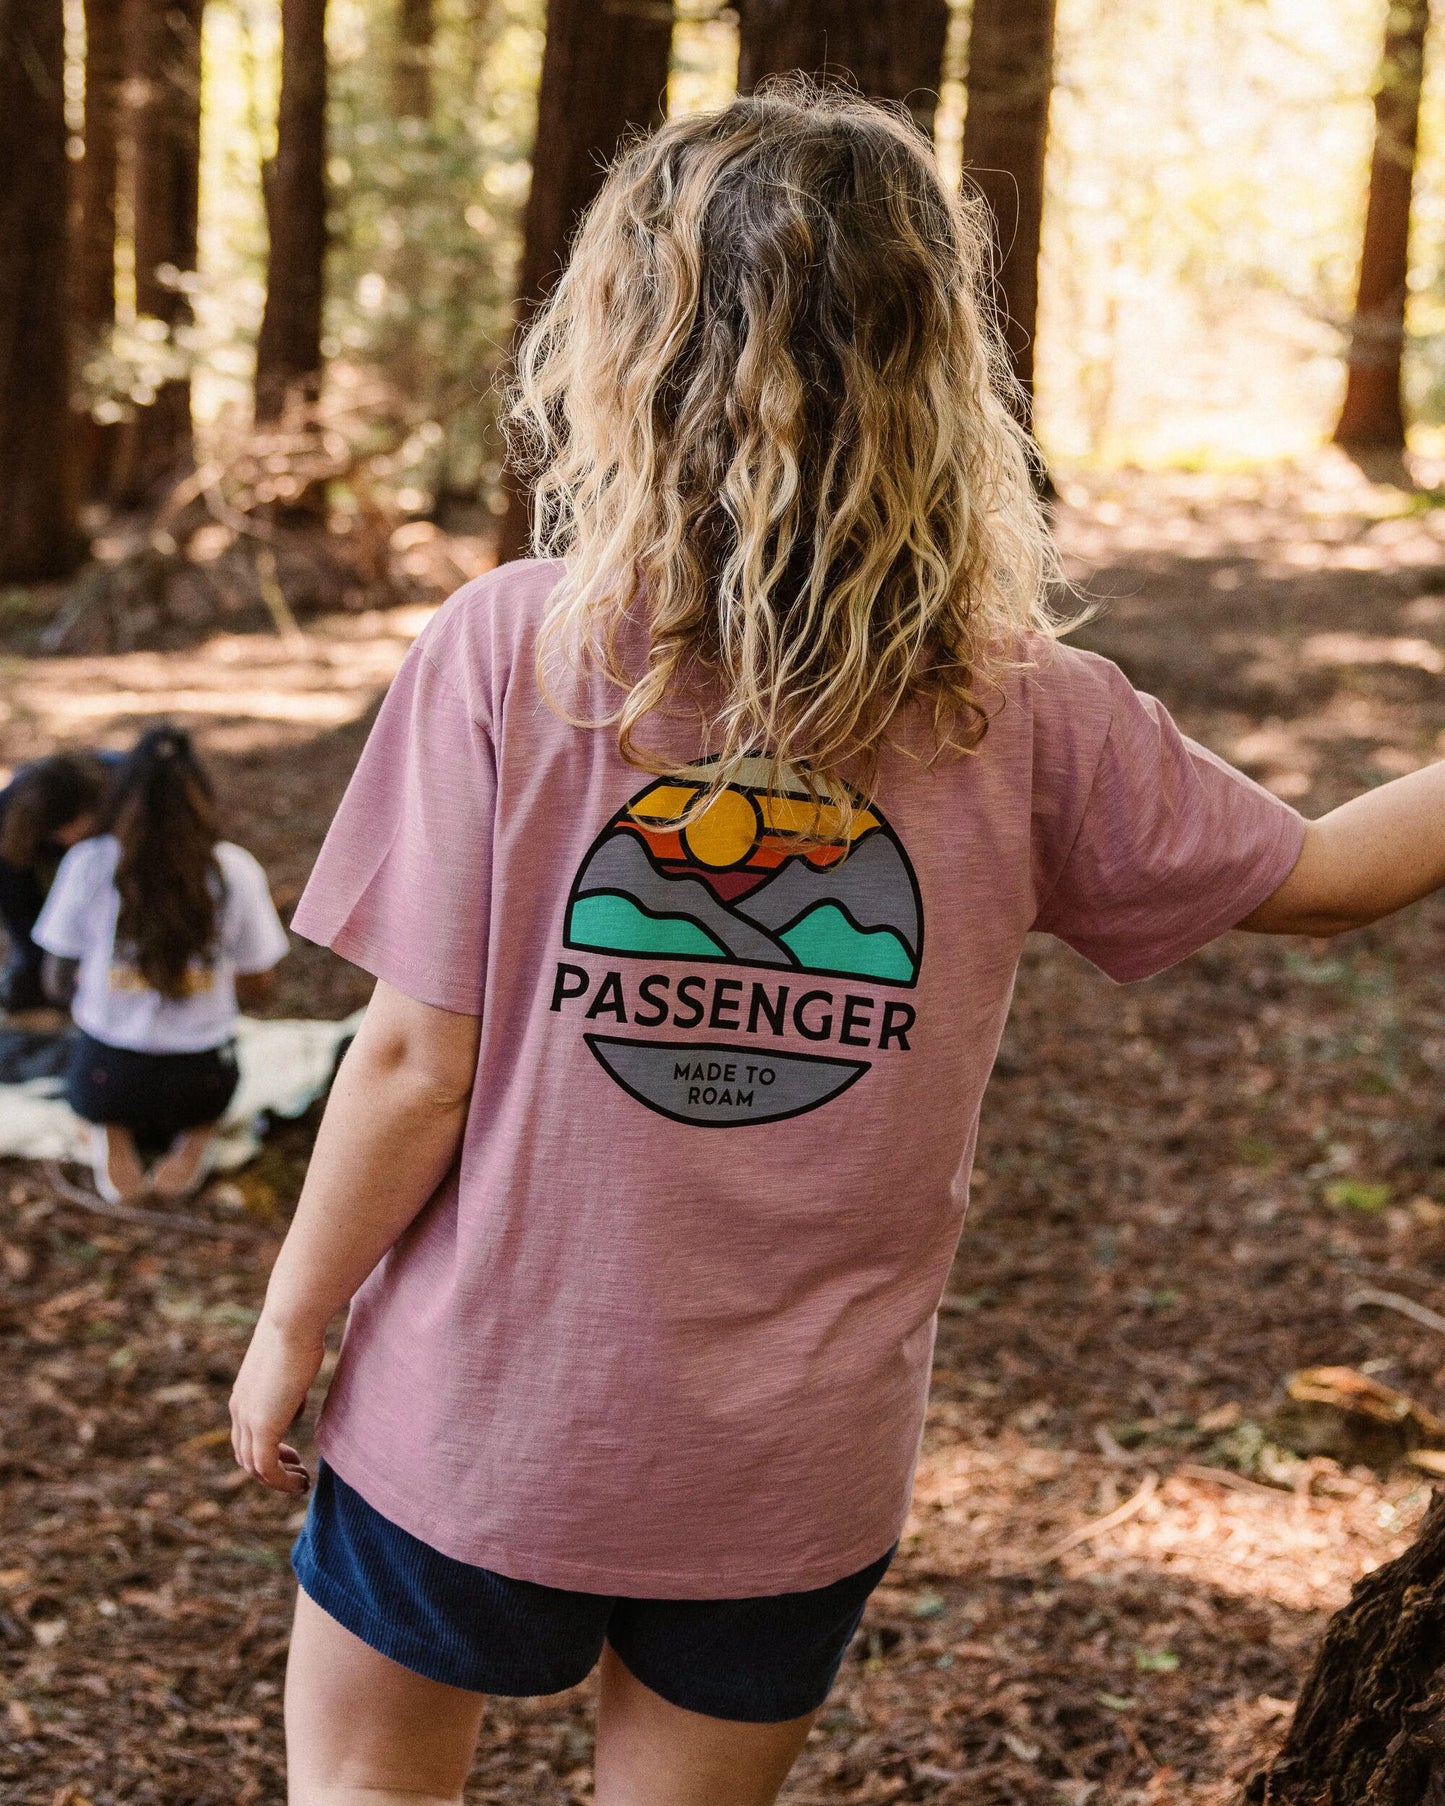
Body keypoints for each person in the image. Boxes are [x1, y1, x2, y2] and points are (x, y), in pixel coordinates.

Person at [229, 85, 1445, 1806]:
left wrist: (294, 1318)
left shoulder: (516, 650)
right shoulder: (1025, 708)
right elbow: (1322, 878)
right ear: (937, 373)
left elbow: (418, 1061)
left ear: (622, 357)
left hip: (478, 1425)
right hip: (788, 1472)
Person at [33, 726, 289, 1205]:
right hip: (201, 1077)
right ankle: (196, 1136)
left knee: (93, 1078)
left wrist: (102, 987)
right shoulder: (234, 869)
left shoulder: (89, 864)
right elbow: (260, 983)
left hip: (107, 1072)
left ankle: (111, 1129)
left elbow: (56, 980)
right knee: (206, 1090)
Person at [0, 751, 114, 1012]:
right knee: (27, 989)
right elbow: (18, 909)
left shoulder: (124, 788)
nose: (77, 843)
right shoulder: (8, 821)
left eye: (86, 835)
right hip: (37, 894)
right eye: (72, 838)